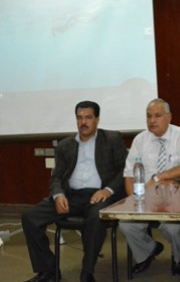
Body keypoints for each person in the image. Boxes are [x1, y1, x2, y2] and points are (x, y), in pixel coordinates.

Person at [21, 101, 127, 282]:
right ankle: (49, 271)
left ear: (97, 119)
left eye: (88, 117)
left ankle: (87, 272)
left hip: (99, 195)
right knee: (30, 218)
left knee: (96, 218)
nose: (83, 122)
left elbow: (125, 170)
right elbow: (57, 177)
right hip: (71, 195)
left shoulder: (112, 139)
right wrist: (58, 195)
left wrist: (107, 190)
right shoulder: (65, 145)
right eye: (79, 118)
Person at [119, 98, 180, 276]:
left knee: (172, 228)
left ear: (169, 117)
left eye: (157, 116)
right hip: (145, 197)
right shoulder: (140, 139)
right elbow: (129, 174)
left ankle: (178, 258)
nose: (152, 120)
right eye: (149, 116)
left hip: (175, 198)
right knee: (126, 224)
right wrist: (133, 200)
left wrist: (158, 177)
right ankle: (147, 251)